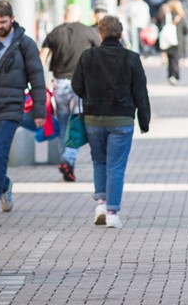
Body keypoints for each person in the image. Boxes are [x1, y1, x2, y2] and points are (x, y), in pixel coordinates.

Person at [0, 0, 47, 216]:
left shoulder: (25, 44)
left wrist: (40, 112)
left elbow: (38, 80)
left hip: (11, 107)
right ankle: (4, 185)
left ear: (12, 19)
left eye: (3, 22)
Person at [72, 15, 151, 229]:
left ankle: (101, 203)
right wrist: (144, 121)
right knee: (116, 166)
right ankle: (112, 213)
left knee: (99, 161)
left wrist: (90, 96)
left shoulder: (88, 56)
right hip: (122, 118)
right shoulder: (132, 58)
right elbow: (140, 92)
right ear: (121, 33)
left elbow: (76, 85)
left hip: (93, 118)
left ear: (100, 32)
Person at [40, 4, 101, 182]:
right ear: (80, 16)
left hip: (59, 83)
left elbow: (41, 58)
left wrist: (40, 83)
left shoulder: (54, 33)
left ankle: (67, 161)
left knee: (64, 124)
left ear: (64, 15)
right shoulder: (89, 32)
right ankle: (68, 159)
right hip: (81, 84)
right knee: (77, 123)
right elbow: (99, 54)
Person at [159, 0, 184, 85]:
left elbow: (161, 27)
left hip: (168, 41)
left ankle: (171, 75)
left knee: (170, 60)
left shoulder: (167, 16)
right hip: (177, 40)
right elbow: (185, 30)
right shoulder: (180, 16)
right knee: (175, 60)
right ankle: (175, 75)